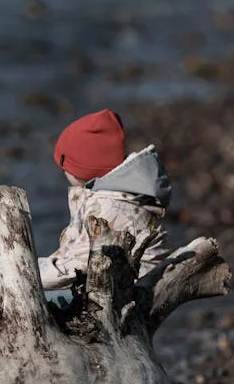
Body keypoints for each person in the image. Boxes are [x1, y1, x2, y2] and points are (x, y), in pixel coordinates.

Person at [38, 109, 172, 290]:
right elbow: (71, 254)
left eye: (65, 166)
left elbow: (76, 267)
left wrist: (25, 273)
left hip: (127, 296)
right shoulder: (115, 193)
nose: (63, 171)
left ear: (83, 169)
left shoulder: (111, 208)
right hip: (115, 285)